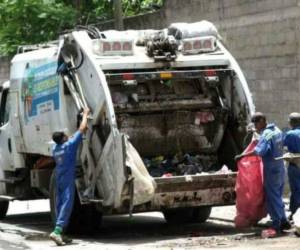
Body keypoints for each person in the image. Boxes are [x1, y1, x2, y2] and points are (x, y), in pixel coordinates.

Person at [235, 112, 290, 238]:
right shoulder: (277, 130)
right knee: (278, 195)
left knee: (272, 197)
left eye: (256, 123)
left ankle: (277, 224)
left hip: (271, 170)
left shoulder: (266, 134)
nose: (255, 126)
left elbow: (259, 151)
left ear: (262, 121)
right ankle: (284, 220)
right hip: (280, 168)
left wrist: (242, 155)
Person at [49, 107, 90, 246]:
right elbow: (82, 129)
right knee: (67, 205)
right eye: (65, 135)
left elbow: (72, 137)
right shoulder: (70, 146)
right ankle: (57, 232)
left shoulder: (56, 149)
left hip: (59, 177)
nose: (67, 135)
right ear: (63, 139)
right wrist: (85, 114)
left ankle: (61, 232)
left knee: (60, 205)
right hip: (67, 180)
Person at [283, 112, 300, 220]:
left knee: (296, 189)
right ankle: (293, 212)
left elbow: (285, 147)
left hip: (295, 165)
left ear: (292, 122)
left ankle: (297, 214)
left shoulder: (290, 134)